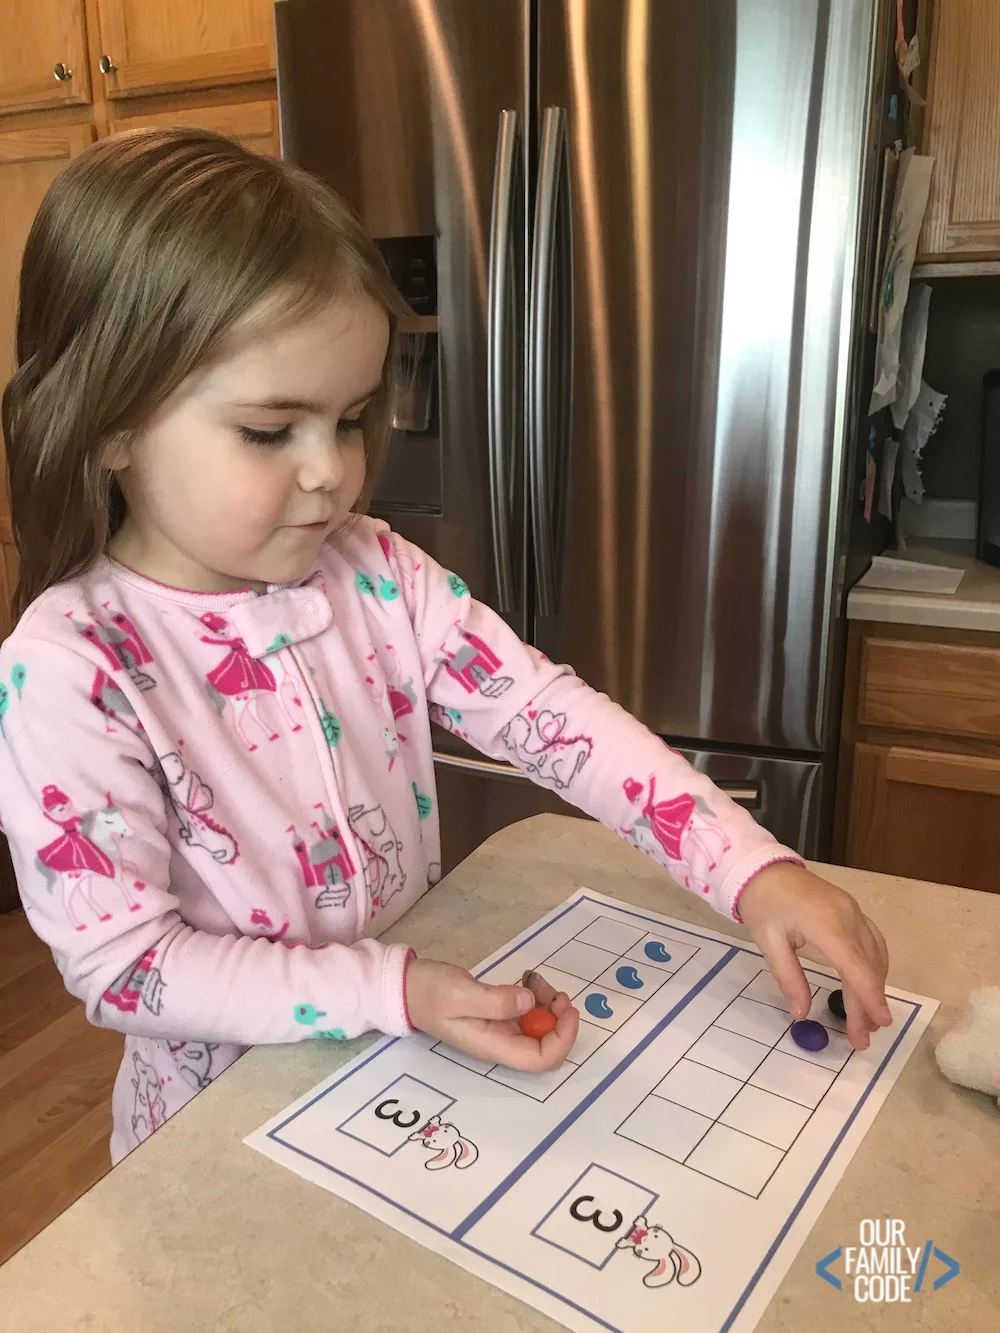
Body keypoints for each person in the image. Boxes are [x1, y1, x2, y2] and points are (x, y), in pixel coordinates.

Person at [0, 130, 889, 1163]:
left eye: (350, 417)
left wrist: (750, 867)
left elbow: (550, 719)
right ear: (109, 422)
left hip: (393, 1073)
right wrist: (396, 986)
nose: (332, 470)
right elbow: (126, 964)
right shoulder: (72, 667)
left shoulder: (372, 569)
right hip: (215, 1141)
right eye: (269, 430)